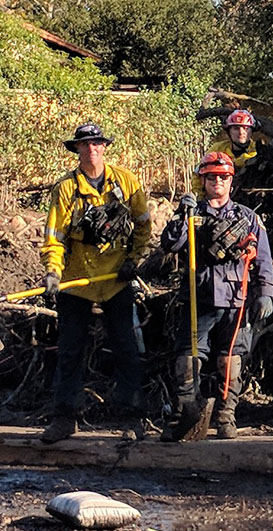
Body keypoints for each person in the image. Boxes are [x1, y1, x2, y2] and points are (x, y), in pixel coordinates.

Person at [39, 123, 152, 443]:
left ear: (105, 148)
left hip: (116, 279)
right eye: (85, 145)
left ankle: (132, 420)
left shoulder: (126, 182)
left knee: (126, 349)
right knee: (70, 350)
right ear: (77, 149)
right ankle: (64, 418)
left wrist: (134, 260)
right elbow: (54, 238)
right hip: (76, 280)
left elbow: (144, 226)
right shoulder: (65, 190)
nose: (91, 149)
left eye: (97, 144)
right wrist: (52, 272)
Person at [160, 152, 273, 441]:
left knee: (231, 361)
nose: (217, 182)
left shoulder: (248, 217)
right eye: (211, 177)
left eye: (223, 177)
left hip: (237, 299)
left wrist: (266, 293)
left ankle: (226, 417)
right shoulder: (193, 215)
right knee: (188, 360)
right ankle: (184, 416)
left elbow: (263, 259)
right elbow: (170, 245)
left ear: (231, 181)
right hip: (198, 298)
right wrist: (179, 216)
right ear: (203, 180)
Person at [192, 109, 259, 192]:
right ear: (229, 131)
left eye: (246, 128)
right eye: (236, 128)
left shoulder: (259, 151)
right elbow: (198, 173)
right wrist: (200, 197)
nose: (241, 132)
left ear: (252, 130)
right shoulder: (217, 149)